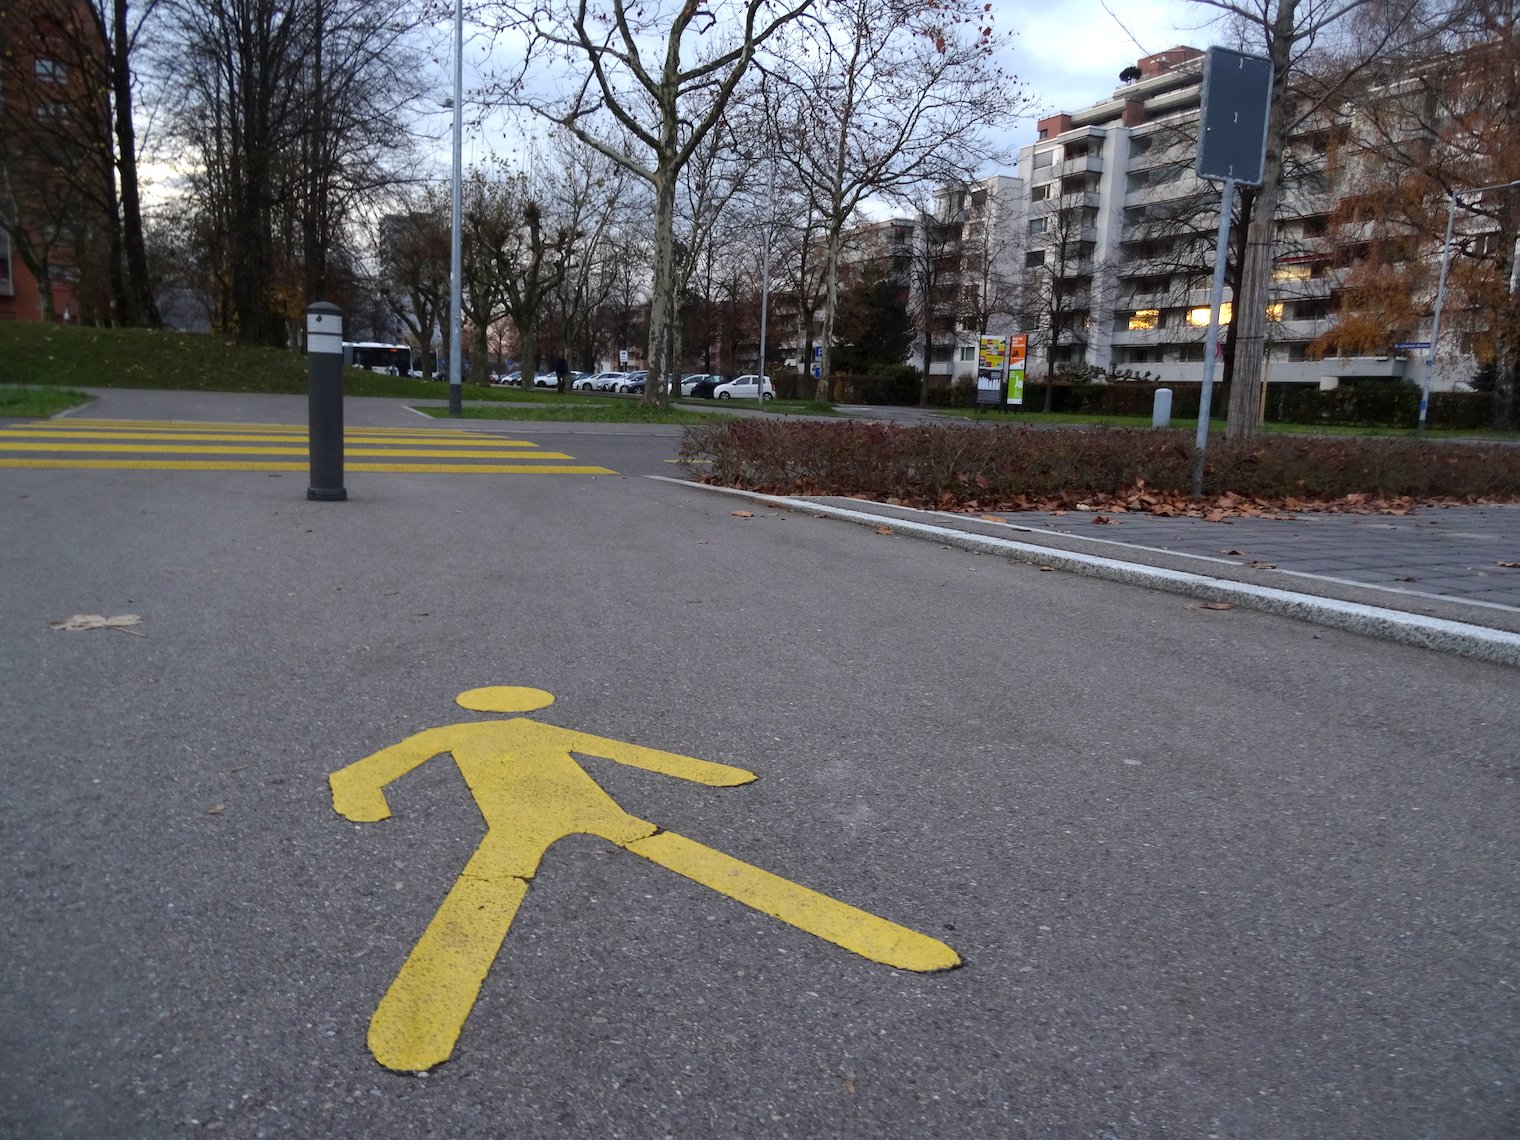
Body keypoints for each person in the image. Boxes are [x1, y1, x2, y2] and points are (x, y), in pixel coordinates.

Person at [330, 685, 959, 1071]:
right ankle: (876, 937)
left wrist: (367, 804)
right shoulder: (507, 730)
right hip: (584, 819)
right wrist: (711, 774)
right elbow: (632, 755)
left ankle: (414, 1030)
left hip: (570, 816)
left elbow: (365, 773)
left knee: (483, 894)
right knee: (705, 864)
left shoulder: (453, 731)